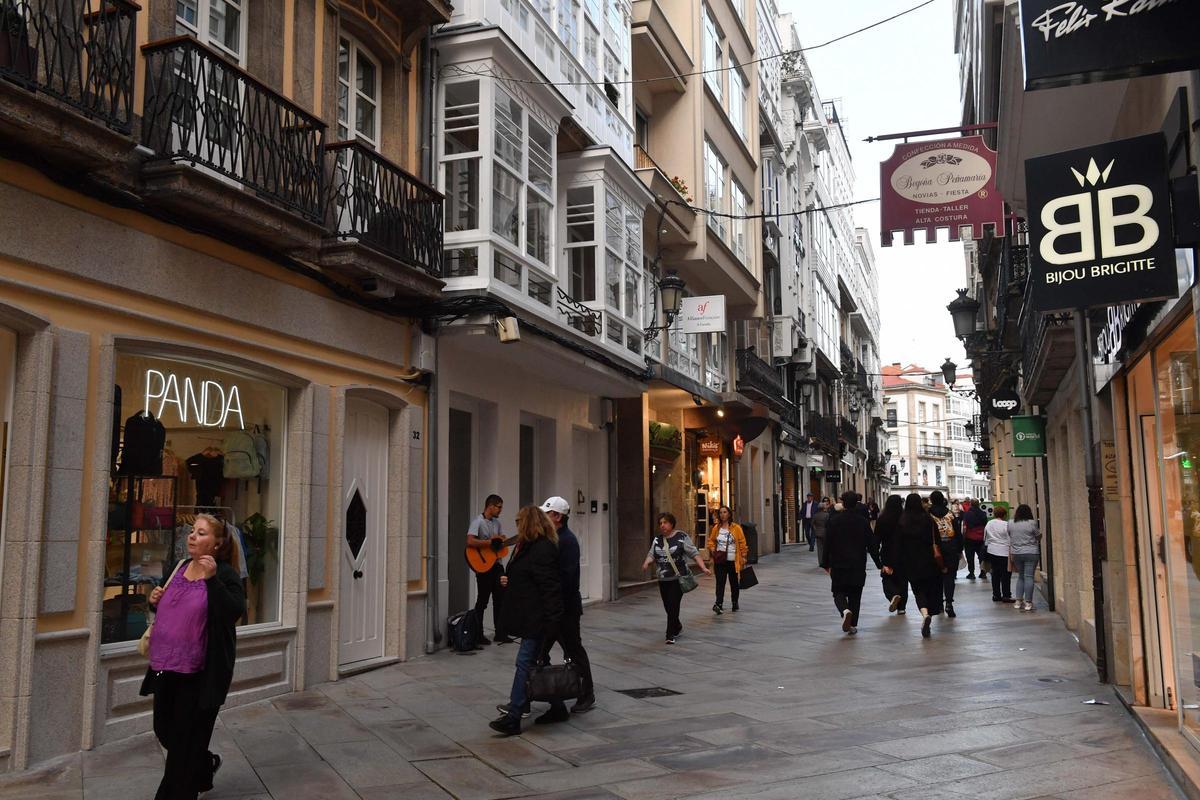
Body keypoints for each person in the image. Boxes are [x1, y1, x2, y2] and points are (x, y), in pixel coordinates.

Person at [140, 513, 246, 800]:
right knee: (164, 728)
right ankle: (203, 763)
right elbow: (170, 612)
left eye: (201, 533)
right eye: (192, 531)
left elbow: (233, 611)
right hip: (166, 665)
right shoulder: (179, 567)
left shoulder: (224, 574)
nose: (192, 536)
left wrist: (212, 582)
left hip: (200, 671)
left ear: (217, 544)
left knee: (183, 745)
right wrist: (154, 602)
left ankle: (178, 788)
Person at [489, 506, 563, 736]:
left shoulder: (541, 549)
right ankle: (558, 706)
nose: (517, 526)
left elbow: (549, 587)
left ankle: (513, 717)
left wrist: (552, 622)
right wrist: (508, 580)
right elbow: (527, 577)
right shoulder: (528, 547)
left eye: (520, 521)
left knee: (524, 663)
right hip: (529, 615)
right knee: (536, 663)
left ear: (529, 523)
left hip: (537, 618)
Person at [535, 496, 596, 721]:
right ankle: (530, 698)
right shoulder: (554, 538)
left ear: (558, 517)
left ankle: (586, 694)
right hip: (555, 607)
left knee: (572, 649)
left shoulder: (567, 541)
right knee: (539, 652)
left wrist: (555, 605)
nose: (544, 518)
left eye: (547, 514)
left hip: (565, 608)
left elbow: (567, 578)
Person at [642, 512, 711, 643]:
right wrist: (646, 562)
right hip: (663, 579)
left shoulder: (681, 537)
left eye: (665, 522)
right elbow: (652, 553)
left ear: (672, 524)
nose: (662, 525)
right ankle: (677, 625)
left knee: (673, 605)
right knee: (668, 606)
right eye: (660, 523)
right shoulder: (657, 539)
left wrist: (703, 567)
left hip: (677, 578)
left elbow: (694, 553)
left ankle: (670, 635)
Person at [883, 493, 945, 638]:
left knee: (918, 590)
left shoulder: (902, 521)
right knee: (929, 588)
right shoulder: (928, 520)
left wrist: (893, 562)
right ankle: (930, 612)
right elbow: (937, 540)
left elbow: (897, 545)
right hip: (929, 561)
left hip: (910, 562)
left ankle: (924, 614)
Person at [820, 491, 881, 635]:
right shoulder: (863, 522)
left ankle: (844, 610)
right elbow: (872, 545)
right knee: (855, 595)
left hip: (839, 563)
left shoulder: (834, 521)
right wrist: (879, 563)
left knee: (838, 591)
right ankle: (852, 624)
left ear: (843, 503)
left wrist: (825, 563)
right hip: (858, 564)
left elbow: (827, 543)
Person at [467, 494, 514, 644]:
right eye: (499, 507)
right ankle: (478, 634)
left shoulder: (497, 523)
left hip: (497, 565)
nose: (500, 510)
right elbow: (470, 540)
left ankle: (500, 633)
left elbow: (498, 543)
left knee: (500, 598)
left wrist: (502, 542)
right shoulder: (478, 522)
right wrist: (489, 543)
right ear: (490, 506)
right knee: (482, 600)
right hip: (484, 566)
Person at [928, 490, 964, 618]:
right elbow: (958, 532)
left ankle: (938, 604)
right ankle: (949, 603)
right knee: (949, 577)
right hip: (950, 547)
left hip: (934, 549)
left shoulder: (928, 514)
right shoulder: (950, 514)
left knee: (936, 578)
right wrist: (960, 549)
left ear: (931, 500)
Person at [708, 505, 749, 614]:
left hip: (733, 560)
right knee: (720, 583)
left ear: (729, 514)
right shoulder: (716, 528)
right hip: (720, 560)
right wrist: (713, 550)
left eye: (725, 512)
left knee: (734, 583)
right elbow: (711, 541)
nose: (722, 514)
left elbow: (742, 542)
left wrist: (744, 556)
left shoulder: (736, 528)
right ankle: (718, 604)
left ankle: (735, 602)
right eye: (720, 513)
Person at [874, 495, 908, 614]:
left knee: (887, 578)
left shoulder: (882, 519)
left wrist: (877, 560)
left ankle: (893, 595)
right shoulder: (905, 518)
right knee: (903, 580)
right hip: (904, 553)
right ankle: (902, 607)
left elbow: (876, 540)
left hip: (887, 553)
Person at [1008, 504, 1042, 611]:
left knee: (1021, 576)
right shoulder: (1032, 523)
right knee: (1029, 577)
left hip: (1016, 553)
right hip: (1031, 552)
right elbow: (1038, 535)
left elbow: (1010, 534)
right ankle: (1028, 602)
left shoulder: (1010, 523)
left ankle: (1018, 601)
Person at [984, 505, 1014, 603]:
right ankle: (1006, 594)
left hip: (992, 550)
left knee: (995, 573)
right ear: (1004, 514)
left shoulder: (989, 523)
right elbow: (1010, 539)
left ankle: (996, 594)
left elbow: (985, 538)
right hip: (1004, 551)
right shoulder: (1006, 524)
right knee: (1006, 574)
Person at [961, 498, 988, 580]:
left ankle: (971, 573)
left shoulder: (967, 514)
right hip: (981, 538)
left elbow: (965, 527)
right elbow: (985, 524)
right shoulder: (983, 513)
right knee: (982, 556)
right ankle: (983, 572)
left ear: (971, 504)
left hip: (970, 538)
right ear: (978, 504)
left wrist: (963, 537)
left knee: (970, 556)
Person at [812, 497, 832, 565]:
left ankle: (820, 562)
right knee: (826, 548)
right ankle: (826, 561)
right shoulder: (827, 515)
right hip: (825, 532)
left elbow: (813, 524)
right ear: (823, 508)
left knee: (819, 548)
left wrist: (816, 529)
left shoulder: (815, 515)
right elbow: (829, 524)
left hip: (818, 533)